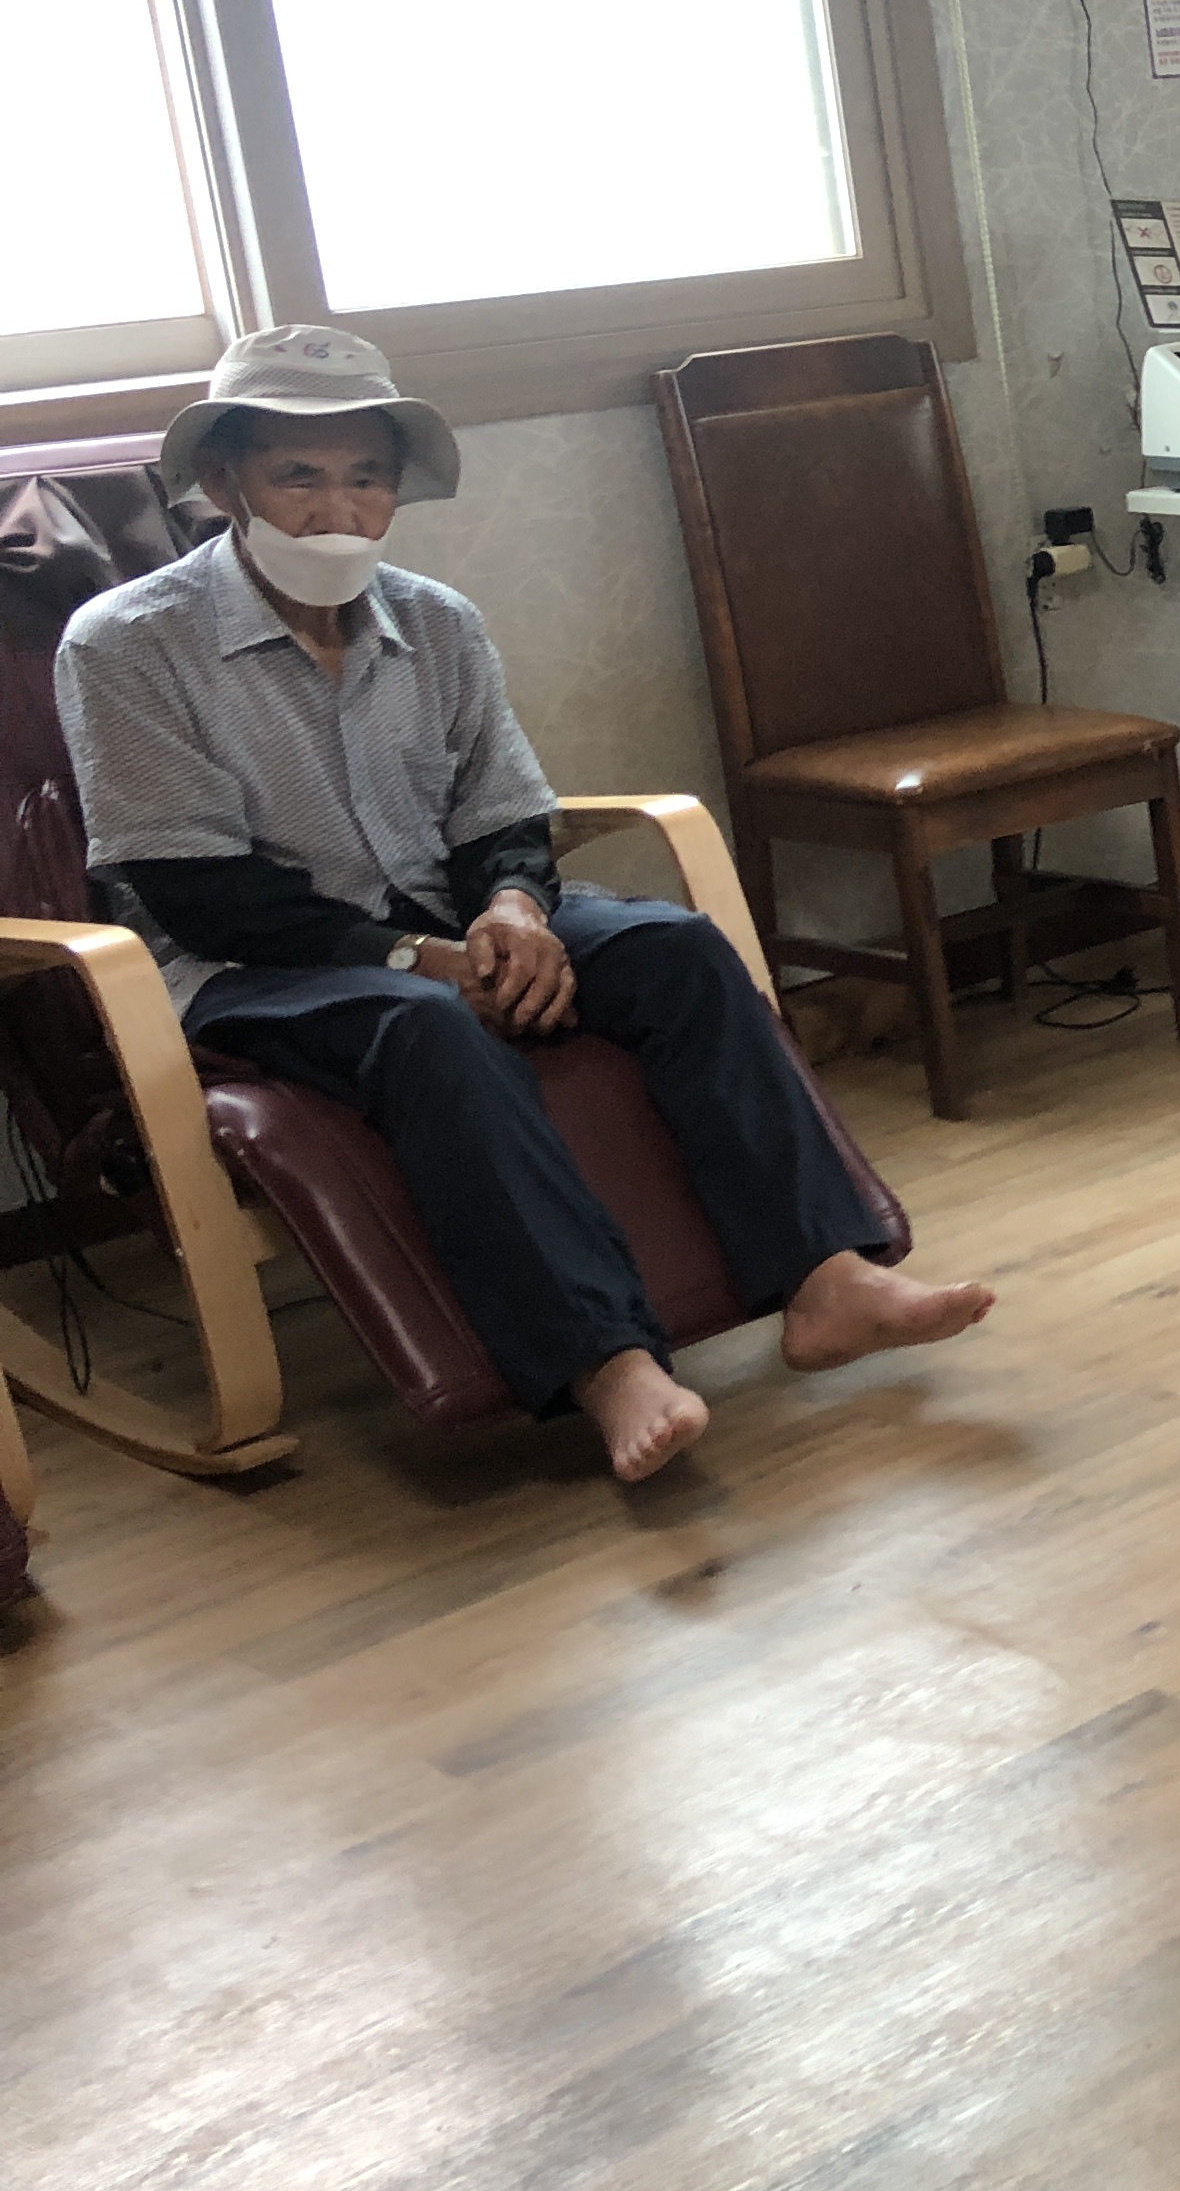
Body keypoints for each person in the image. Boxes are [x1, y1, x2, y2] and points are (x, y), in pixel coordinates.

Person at [54, 326, 993, 1482]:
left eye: (366, 477)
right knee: (428, 1028)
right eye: (298, 476)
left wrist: (513, 911)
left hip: (446, 924)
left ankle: (825, 1278)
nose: (336, 510)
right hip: (250, 969)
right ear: (223, 480)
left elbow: (501, 810)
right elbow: (196, 888)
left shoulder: (437, 621)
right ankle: (607, 1363)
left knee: (676, 948)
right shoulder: (129, 643)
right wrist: (424, 961)